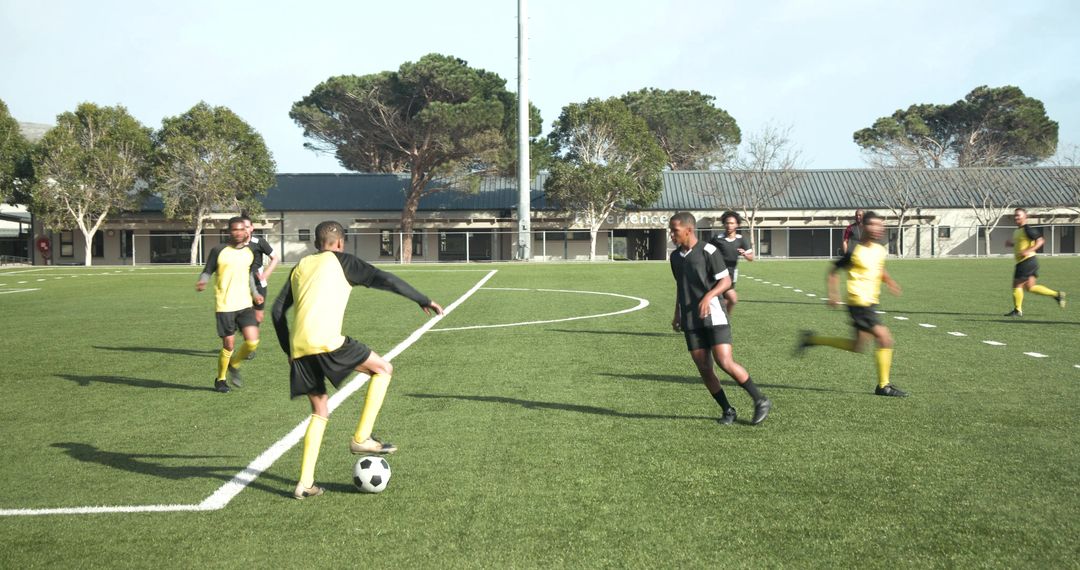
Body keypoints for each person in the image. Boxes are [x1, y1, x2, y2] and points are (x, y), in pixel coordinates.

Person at [272, 220, 444, 500]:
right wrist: (421, 298)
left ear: (317, 243)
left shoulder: (299, 267)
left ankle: (305, 483)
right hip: (328, 342)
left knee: (320, 411)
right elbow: (385, 279)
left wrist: (289, 352)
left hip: (300, 348)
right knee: (383, 369)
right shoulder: (343, 261)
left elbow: (277, 312)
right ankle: (361, 438)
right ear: (340, 243)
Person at [669, 212, 771, 426]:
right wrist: (677, 313)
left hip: (714, 315)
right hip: (691, 320)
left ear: (689, 230)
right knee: (704, 367)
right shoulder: (675, 257)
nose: (671, 235)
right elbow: (681, 285)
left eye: (675, 231)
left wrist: (708, 296)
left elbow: (724, 281)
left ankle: (760, 399)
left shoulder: (708, 251)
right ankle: (727, 410)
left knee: (724, 361)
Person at [796, 211, 907, 397]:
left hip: (870, 302)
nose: (880, 229)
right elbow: (833, 271)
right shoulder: (855, 251)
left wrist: (890, 281)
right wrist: (833, 293)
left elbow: (879, 268)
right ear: (864, 226)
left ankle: (812, 340)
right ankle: (883, 386)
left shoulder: (880, 250)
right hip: (859, 303)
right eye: (875, 225)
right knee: (885, 339)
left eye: (882, 225)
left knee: (857, 346)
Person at [195, 216, 262, 393]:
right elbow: (208, 270)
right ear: (229, 231)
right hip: (225, 305)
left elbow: (249, 276)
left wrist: (255, 294)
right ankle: (221, 379)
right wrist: (203, 281)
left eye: (242, 229)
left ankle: (235, 362)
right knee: (229, 345)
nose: (239, 232)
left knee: (253, 342)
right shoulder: (218, 250)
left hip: (245, 304)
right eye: (235, 229)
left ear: (246, 231)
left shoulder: (250, 252)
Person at [1003, 208, 1066, 317]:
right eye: (1015, 215)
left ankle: (1018, 310)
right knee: (1030, 287)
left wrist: (1028, 251)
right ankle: (1057, 295)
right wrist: (1012, 244)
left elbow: (1041, 240)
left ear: (1025, 217)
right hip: (1030, 262)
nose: (1016, 217)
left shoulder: (1027, 229)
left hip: (1026, 262)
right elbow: (1021, 245)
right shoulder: (1018, 230)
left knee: (1017, 285)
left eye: (1019, 215)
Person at [709, 211, 754, 316]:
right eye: (727, 223)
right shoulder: (717, 239)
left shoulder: (741, 240)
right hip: (718, 274)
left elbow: (751, 258)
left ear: (737, 224)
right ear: (724, 224)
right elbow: (706, 251)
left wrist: (745, 254)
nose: (729, 225)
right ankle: (724, 321)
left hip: (732, 274)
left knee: (726, 300)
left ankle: (722, 321)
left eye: (732, 223)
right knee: (732, 299)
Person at [240, 215, 280, 325]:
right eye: (242, 227)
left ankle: (251, 339)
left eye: (247, 227)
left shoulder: (259, 242)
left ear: (252, 228)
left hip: (259, 284)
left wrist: (266, 273)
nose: (245, 230)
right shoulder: (235, 245)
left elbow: (275, 258)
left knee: (258, 317)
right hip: (241, 283)